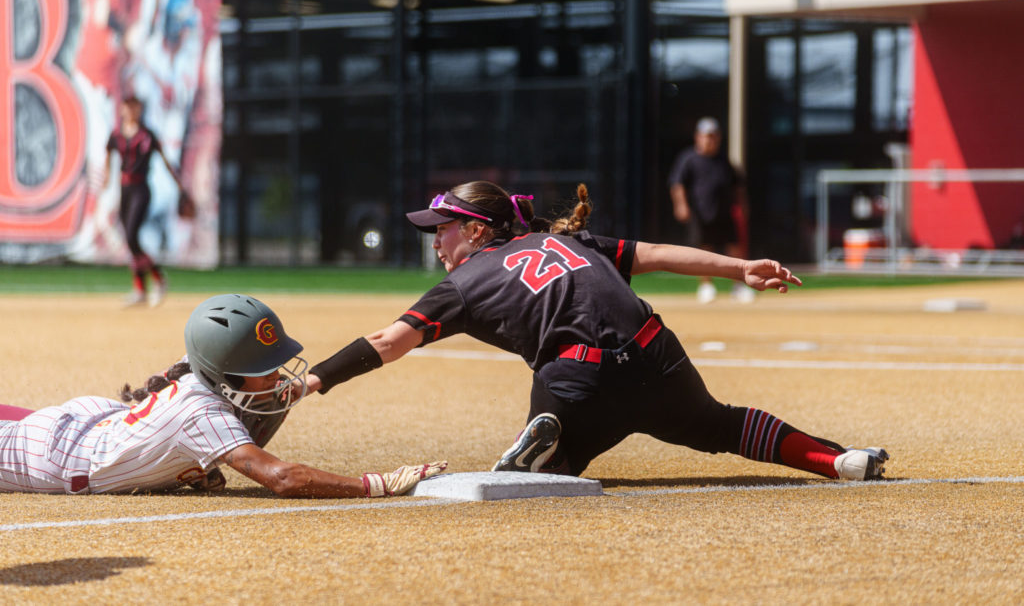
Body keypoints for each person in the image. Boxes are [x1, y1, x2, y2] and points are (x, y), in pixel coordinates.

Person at [306, 181, 889, 483]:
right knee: (721, 424)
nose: (436, 240)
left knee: (552, 467)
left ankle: (550, 439)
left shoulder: (461, 286)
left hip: (579, 380)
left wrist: (316, 378)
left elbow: (387, 343)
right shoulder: (571, 239)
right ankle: (839, 461)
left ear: (480, 233)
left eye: (445, 229)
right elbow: (658, 253)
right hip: (655, 354)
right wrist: (740, 267)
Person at [0, 294, 445, 497]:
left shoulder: (206, 370)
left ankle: (188, 466)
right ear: (226, 373)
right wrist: (375, 484)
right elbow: (283, 478)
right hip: (51, 455)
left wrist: (325, 376)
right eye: (263, 369)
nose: (275, 376)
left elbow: (299, 384)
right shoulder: (204, 411)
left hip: (95, 421)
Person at [100, 95, 187, 307]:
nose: (131, 111)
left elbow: (166, 161)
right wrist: (105, 179)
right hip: (125, 188)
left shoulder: (146, 135)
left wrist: (180, 187)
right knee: (131, 241)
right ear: (122, 110)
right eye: (127, 107)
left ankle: (158, 278)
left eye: (134, 107)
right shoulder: (117, 134)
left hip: (140, 189)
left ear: (139, 110)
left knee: (131, 235)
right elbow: (108, 156)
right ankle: (140, 290)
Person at [668, 117, 752, 304]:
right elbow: (677, 184)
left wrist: (743, 206)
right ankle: (706, 286)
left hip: (725, 212)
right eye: (707, 136)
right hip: (701, 213)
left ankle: (738, 285)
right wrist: (681, 205)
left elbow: (738, 185)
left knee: (734, 248)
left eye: (714, 136)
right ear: (698, 137)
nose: (710, 140)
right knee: (704, 250)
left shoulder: (724, 160)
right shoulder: (689, 159)